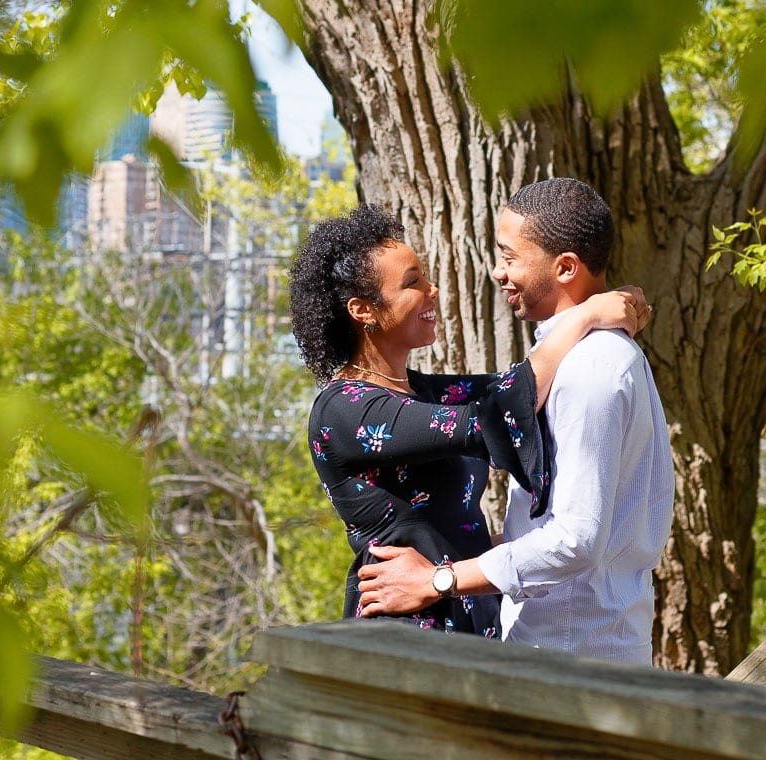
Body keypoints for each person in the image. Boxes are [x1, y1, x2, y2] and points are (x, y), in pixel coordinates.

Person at [289, 203, 649, 635]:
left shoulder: (424, 394)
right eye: (412, 283)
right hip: (403, 634)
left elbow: (520, 386)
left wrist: (616, 298)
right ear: (363, 310)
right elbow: (496, 417)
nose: (432, 289)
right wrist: (588, 314)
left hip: (462, 616)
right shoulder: (346, 410)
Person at [356, 179, 674, 665]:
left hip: (572, 657)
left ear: (565, 266)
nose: (498, 271)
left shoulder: (591, 371)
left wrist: (437, 580)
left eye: (510, 257)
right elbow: (505, 401)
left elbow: (575, 540)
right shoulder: (579, 355)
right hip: (567, 645)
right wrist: (590, 311)